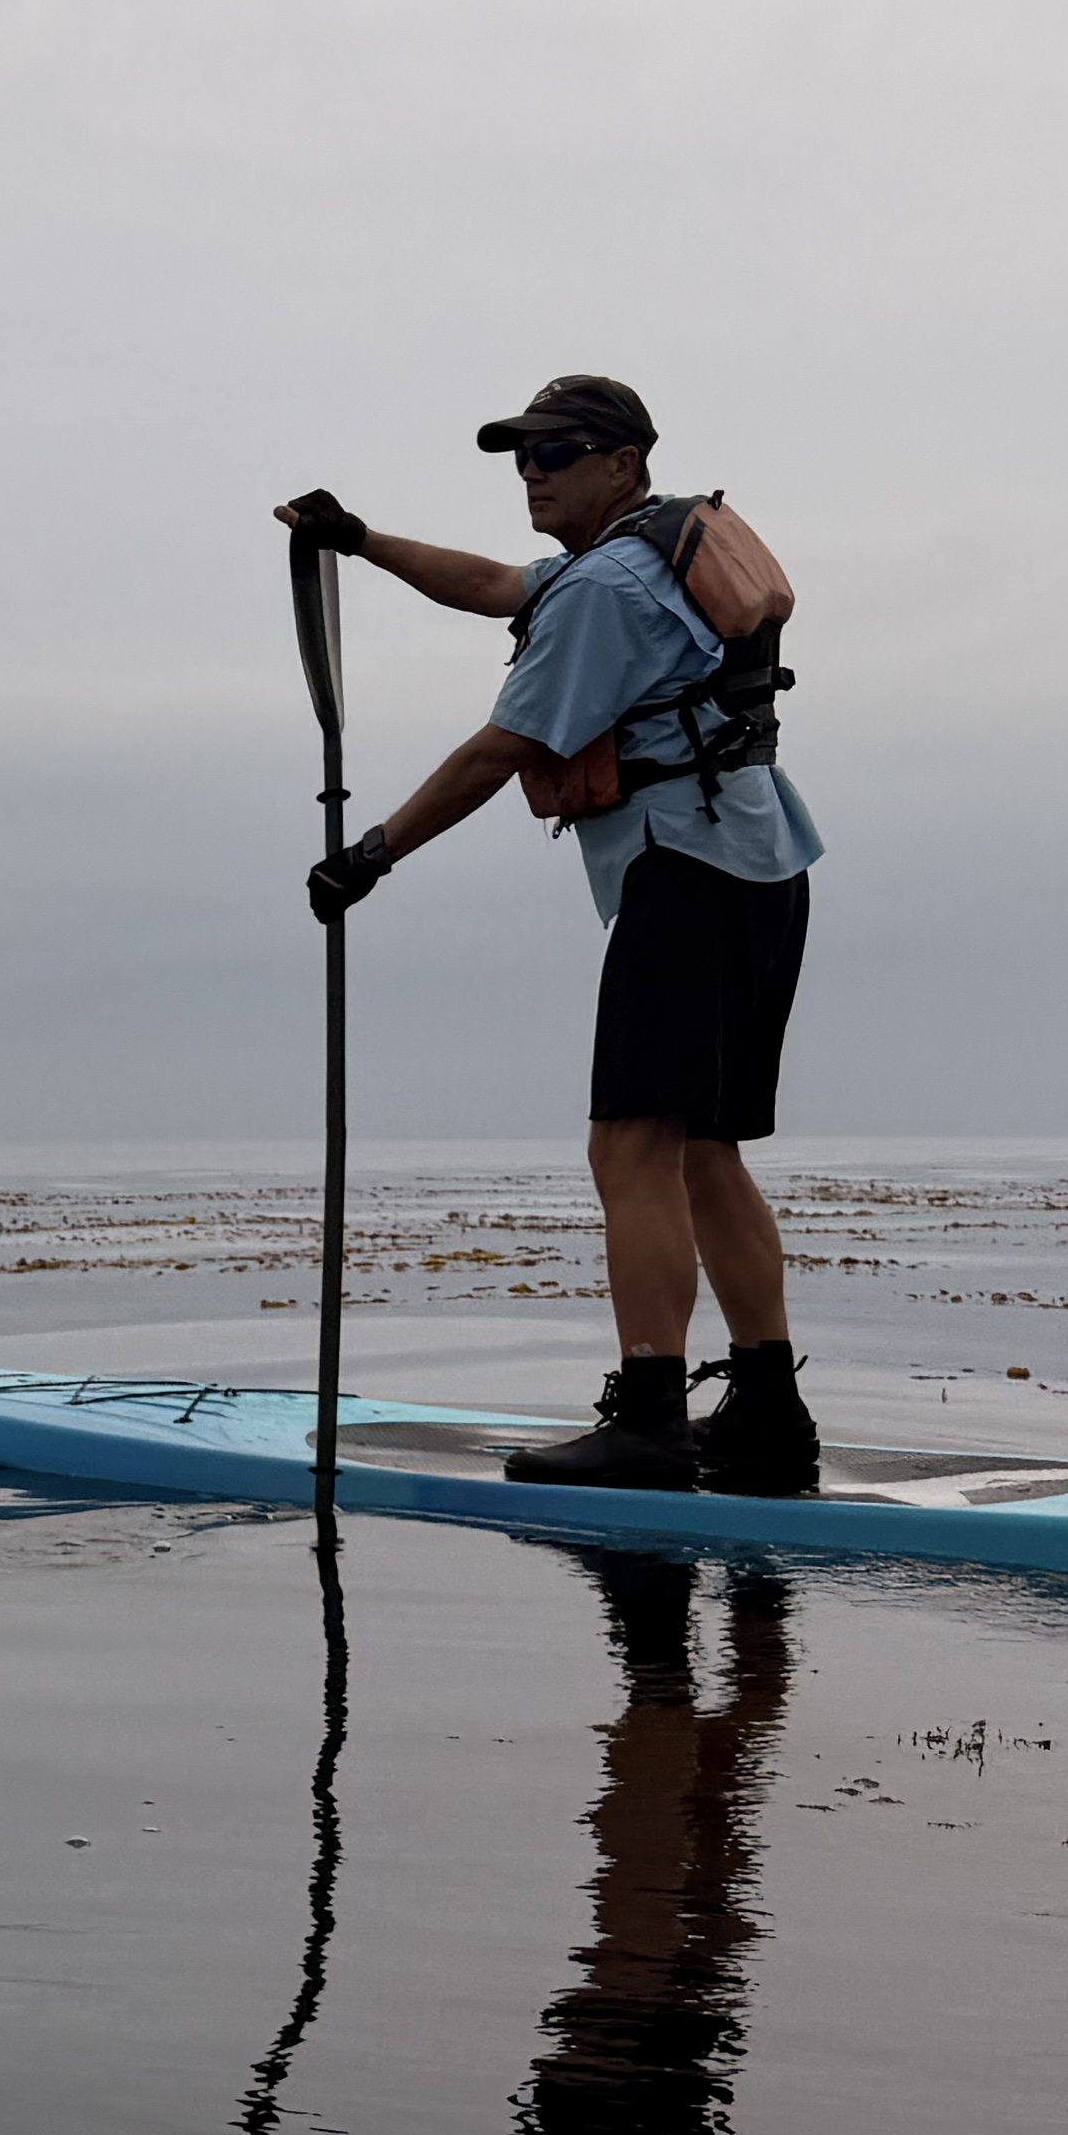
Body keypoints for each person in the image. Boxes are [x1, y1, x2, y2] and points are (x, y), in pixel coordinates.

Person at [278, 372, 824, 1494]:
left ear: (624, 464)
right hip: (763, 867)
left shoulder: (603, 591)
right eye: (521, 456)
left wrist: (368, 855)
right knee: (703, 1150)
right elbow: (486, 584)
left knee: (628, 1147)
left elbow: (503, 751)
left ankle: (650, 1420)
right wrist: (362, 539)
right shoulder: (628, 562)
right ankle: (768, 1413)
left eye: (557, 453)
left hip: (686, 872)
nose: (533, 474)